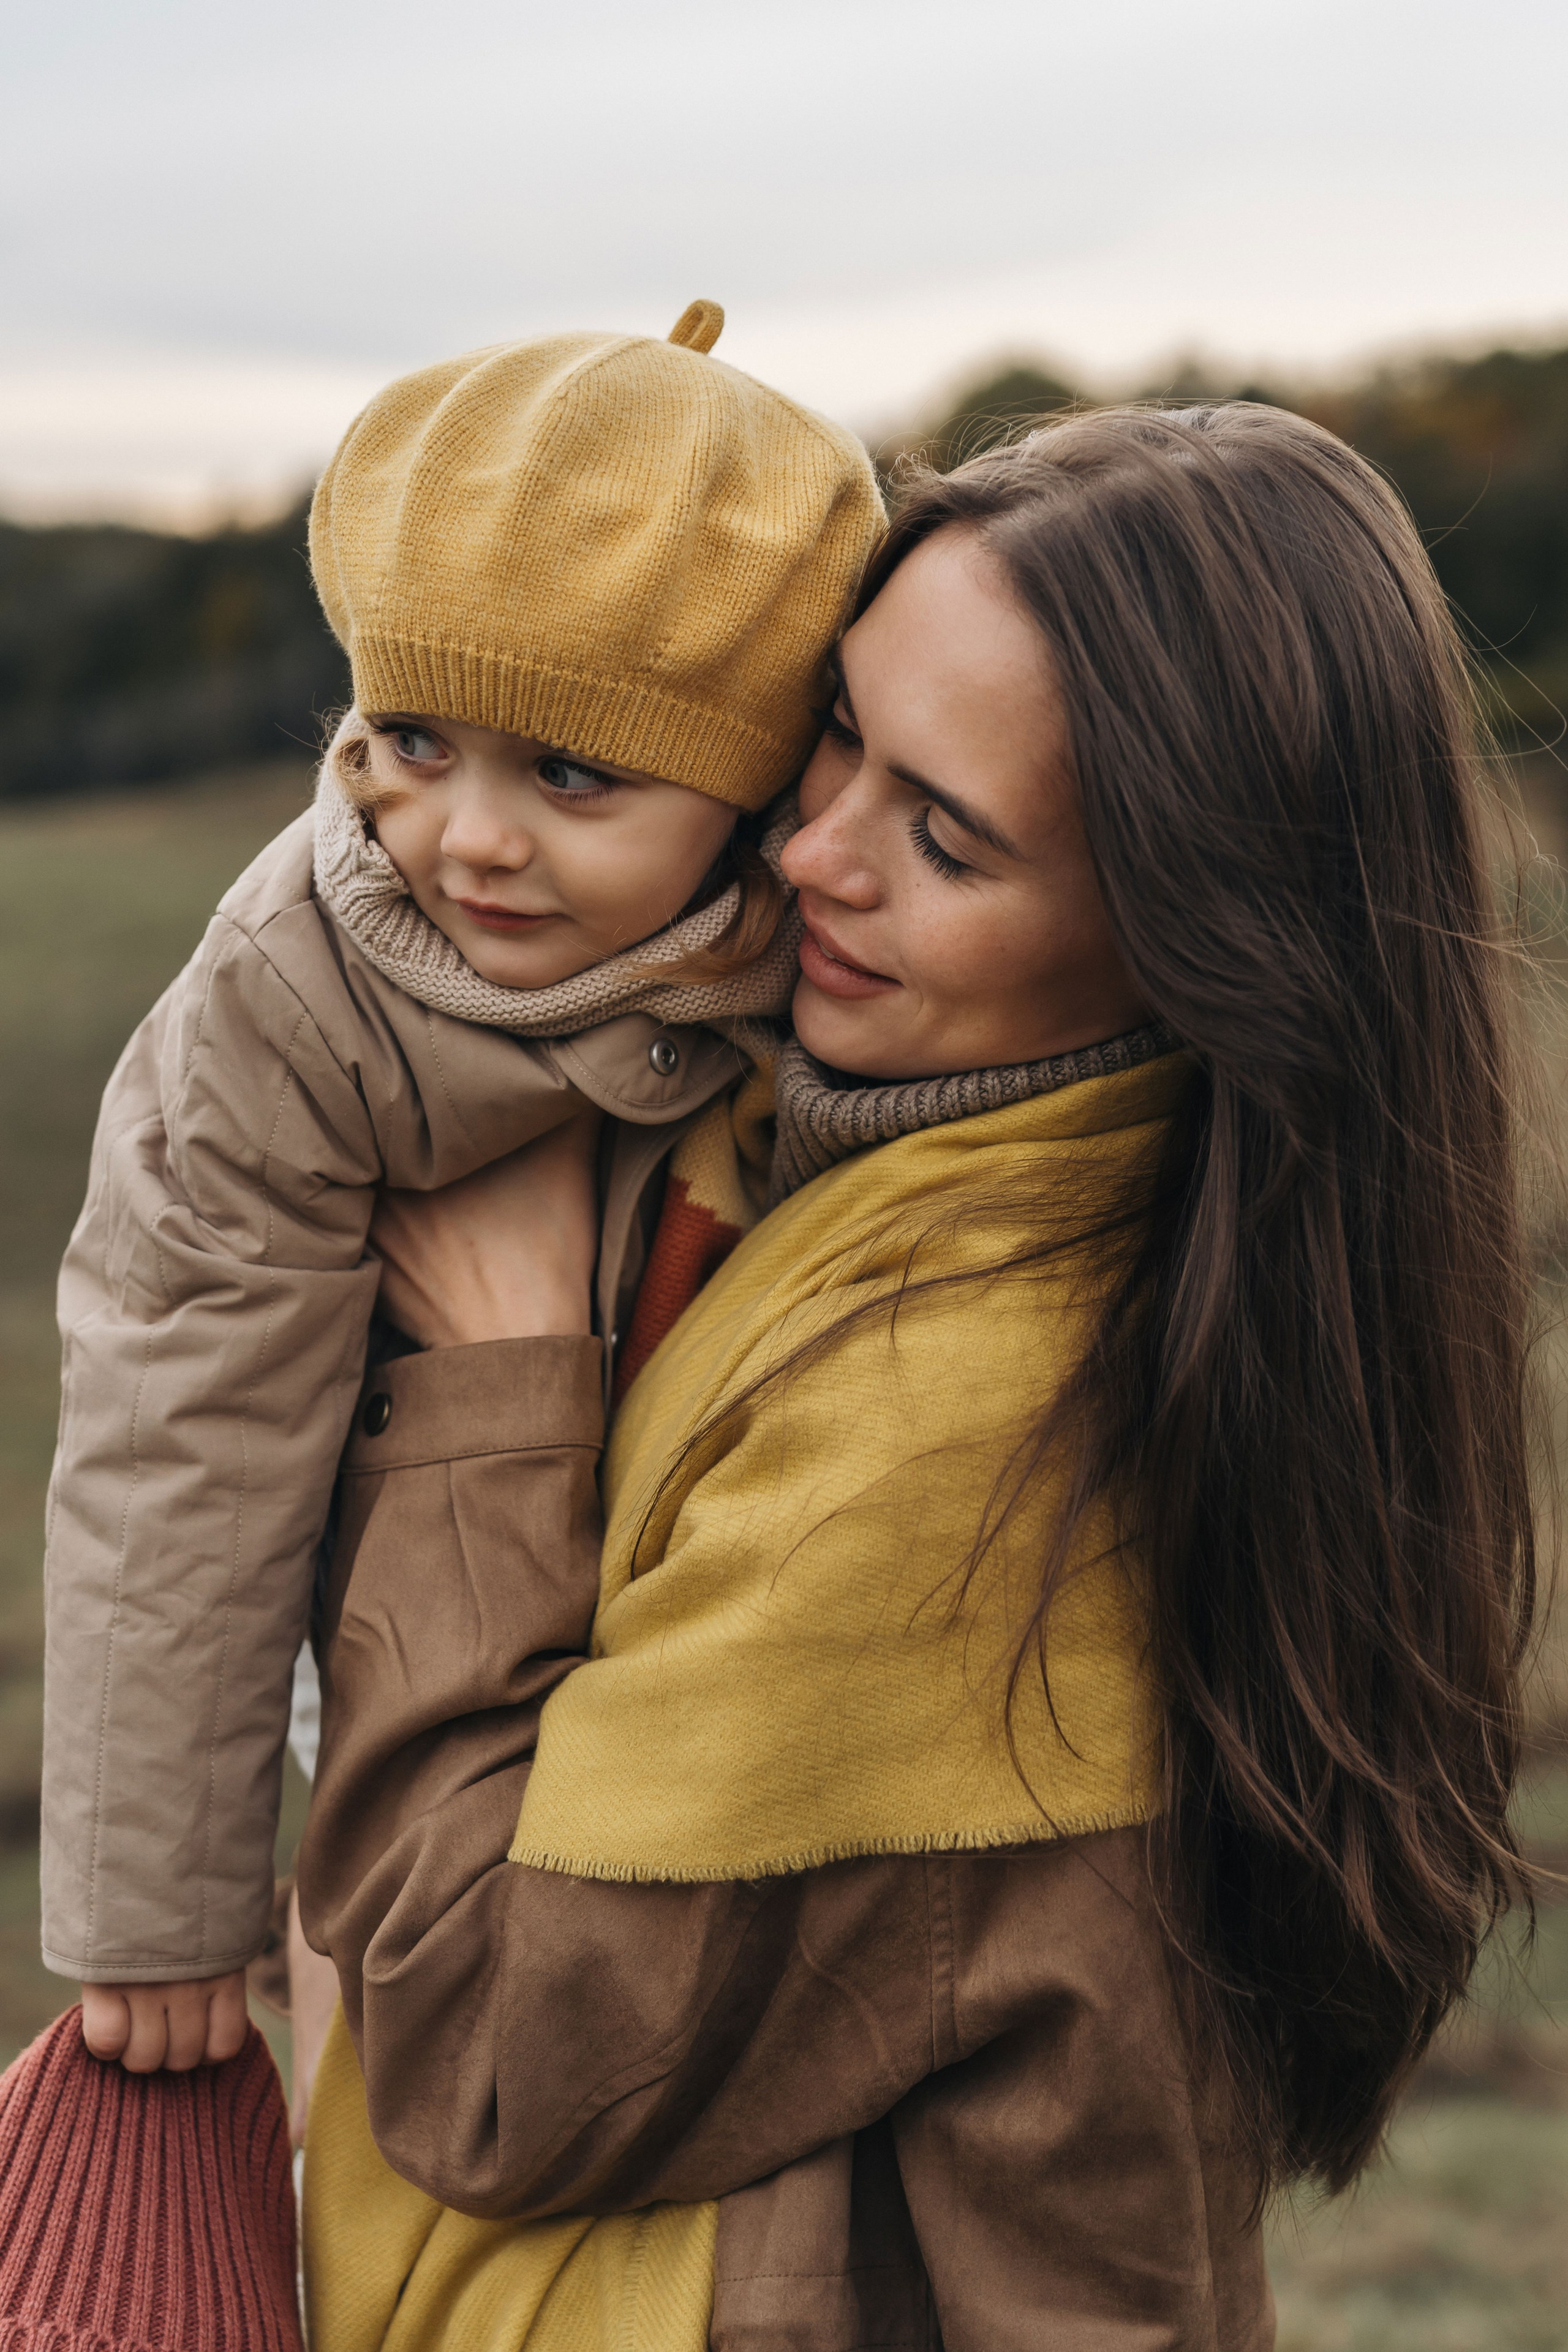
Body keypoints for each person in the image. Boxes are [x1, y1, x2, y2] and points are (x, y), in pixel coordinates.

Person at [295, 401, 1540, 2350]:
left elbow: (493, 2052)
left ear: (1192, 943)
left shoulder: (958, 1432)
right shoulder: (940, 1194)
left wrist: (497, 1388)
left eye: (944, 835)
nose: (809, 851)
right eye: (840, 732)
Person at [39, 298, 883, 2074]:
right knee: (391, 2035)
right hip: (388, 1612)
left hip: (713, 1615)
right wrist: (158, 1914)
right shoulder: (292, 999)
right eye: (412, 739)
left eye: (569, 773)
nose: (470, 837)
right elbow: (177, 1422)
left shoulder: (843, 940)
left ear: (745, 785)